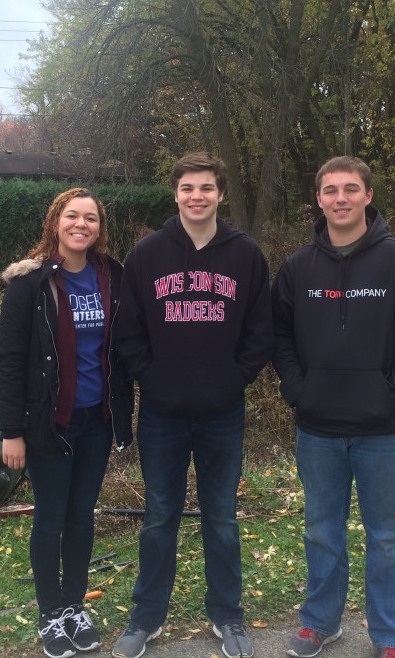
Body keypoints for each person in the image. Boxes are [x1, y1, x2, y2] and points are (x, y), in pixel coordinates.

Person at [271, 156, 395, 658]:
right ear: (318, 199)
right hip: (318, 428)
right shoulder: (298, 267)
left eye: (350, 189)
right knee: (322, 532)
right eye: (329, 190)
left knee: (387, 537)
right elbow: (279, 336)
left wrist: (390, 394)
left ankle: (389, 636)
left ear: (368, 195)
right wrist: (300, 390)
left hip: (385, 432)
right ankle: (320, 622)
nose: (339, 198)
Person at [111, 152, 274, 658]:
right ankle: (147, 617)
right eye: (187, 188)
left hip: (222, 413)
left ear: (221, 194)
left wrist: (233, 379)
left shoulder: (245, 255)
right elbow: (129, 331)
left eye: (206, 188)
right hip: (162, 414)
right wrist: (152, 379)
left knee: (221, 517)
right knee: (160, 515)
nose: (196, 197)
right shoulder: (148, 254)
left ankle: (228, 617)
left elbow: (260, 330)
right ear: (175, 194)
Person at [0, 187, 134, 658]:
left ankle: (74, 606)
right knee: (50, 519)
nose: (81, 225)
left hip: (97, 420)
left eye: (90, 218)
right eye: (72, 216)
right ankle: (49, 613)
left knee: (81, 517)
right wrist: (10, 431)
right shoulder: (29, 283)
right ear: (56, 222)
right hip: (48, 424)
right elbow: (8, 361)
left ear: (99, 227)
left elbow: (126, 346)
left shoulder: (112, 275)